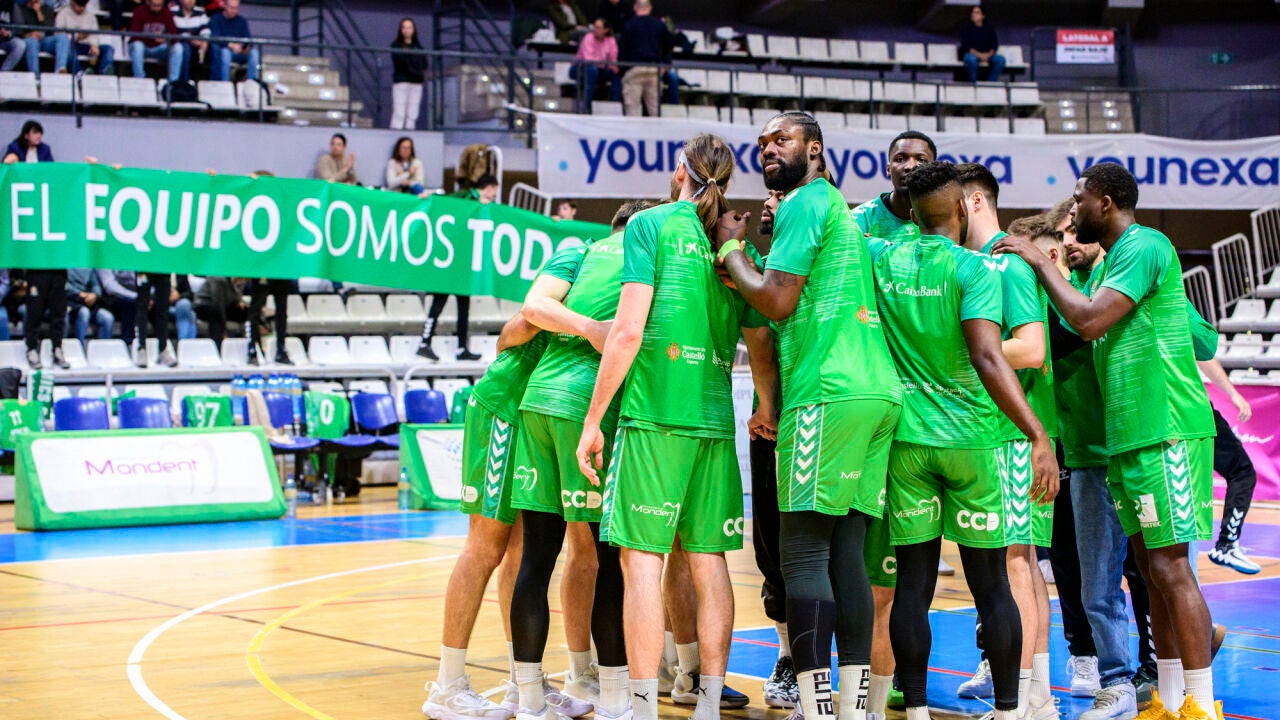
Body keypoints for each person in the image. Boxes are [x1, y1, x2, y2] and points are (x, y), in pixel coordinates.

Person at [994, 162, 1220, 720]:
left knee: (1171, 567)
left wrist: (1037, 262)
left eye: (1080, 201)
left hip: (1166, 428)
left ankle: (1201, 702)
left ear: (1107, 202)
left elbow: (1088, 322)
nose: (1073, 212)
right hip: (1126, 437)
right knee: (1151, 570)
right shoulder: (1106, 269)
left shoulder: (1145, 245)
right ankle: (1170, 700)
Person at [716, 112, 902, 720]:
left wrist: (732, 251)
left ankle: (817, 706)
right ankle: (852, 707)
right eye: (763, 143)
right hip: (875, 393)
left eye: (783, 140)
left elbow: (775, 300)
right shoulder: (834, 209)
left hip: (827, 392)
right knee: (846, 554)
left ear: (814, 148)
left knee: (800, 554)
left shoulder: (802, 202)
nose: (769, 149)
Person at [876, 161, 1058, 720]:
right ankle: (1009, 710)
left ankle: (914, 711)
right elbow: (986, 356)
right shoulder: (974, 268)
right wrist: (1036, 432)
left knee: (912, 587)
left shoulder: (881, 258)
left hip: (908, 443)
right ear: (962, 208)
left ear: (910, 213)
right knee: (992, 585)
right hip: (971, 441)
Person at [421, 243, 590, 720]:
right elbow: (512, 330)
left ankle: (524, 682)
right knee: (485, 547)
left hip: (537, 417)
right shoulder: (577, 258)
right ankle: (447, 686)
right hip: (505, 410)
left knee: (520, 552)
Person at [507, 201, 653, 720]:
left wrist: (585, 324)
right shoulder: (647, 252)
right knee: (610, 558)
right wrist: (595, 331)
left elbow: (532, 308)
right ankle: (613, 698)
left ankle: (530, 700)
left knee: (537, 557)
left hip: (537, 402)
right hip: (587, 407)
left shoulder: (579, 252)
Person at [956, 163, 1057, 720]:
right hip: (994, 433)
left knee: (1015, 562)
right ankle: (1036, 695)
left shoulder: (1007, 262)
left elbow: (1032, 348)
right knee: (1022, 560)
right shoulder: (977, 262)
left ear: (974, 201)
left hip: (1012, 435)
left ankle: (1022, 699)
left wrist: (959, 354)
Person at [417, 174, 499, 362]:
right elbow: (444, 202)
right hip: (450, 262)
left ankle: (462, 348)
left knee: (464, 308)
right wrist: (430, 196)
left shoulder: (489, 207)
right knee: (438, 303)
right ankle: (424, 343)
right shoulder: (465, 196)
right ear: (489, 187)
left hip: (464, 265)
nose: (494, 196)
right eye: (494, 191)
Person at [1198, 360, 1261, 575]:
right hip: (1192, 408)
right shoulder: (1182, 335)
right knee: (1242, 472)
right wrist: (1233, 394)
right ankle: (1226, 544)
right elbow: (1203, 354)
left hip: (1155, 413)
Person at [616, 0, 677, 117]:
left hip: (634, 70)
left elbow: (622, 50)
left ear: (635, 8)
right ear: (650, 8)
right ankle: (657, 129)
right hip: (654, 70)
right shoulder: (659, 24)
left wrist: (623, 69)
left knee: (632, 110)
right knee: (655, 110)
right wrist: (666, 64)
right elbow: (670, 43)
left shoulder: (629, 24)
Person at [570, 17, 619, 112]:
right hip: (580, 68)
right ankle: (586, 107)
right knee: (592, 71)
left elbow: (613, 60)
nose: (595, 30)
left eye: (598, 28)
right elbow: (588, 59)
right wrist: (605, 63)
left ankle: (614, 106)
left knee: (616, 74)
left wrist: (612, 66)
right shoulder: (588, 37)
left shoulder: (611, 40)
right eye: (594, 27)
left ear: (606, 30)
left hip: (600, 68)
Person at [129, 0, 184, 83]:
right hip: (143, 47)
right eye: (154, 5)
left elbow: (174, 35)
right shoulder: (139, 11)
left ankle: (173, 82)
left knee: (178, 47)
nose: (156, 8)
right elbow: (134, 35)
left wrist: (164, 38)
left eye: (159, 5)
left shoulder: (167, 13)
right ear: (149, 3)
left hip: (159, 48)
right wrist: (151, 36)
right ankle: (139, 79)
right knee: (137, 45)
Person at [58, 0, 114, 75]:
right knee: (68, 49)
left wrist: (93, 45)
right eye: (78, 5)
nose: (80, 8)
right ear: (72, 2)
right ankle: (79, 73)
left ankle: (105, 71)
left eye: (83, 5)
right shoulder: (63, 14)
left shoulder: (90, 16)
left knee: (108, 49)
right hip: (71, 45)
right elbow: (59, 36)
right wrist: (76, 36)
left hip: (87, 45)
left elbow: (95, 34)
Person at [390, 17, 426, 130]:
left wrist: (410, 60)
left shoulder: (419, 47)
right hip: (401, 81)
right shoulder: (396, 46)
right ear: (401, 30)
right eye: (404, 27)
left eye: (409, 27)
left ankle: (410, 134)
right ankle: (396, 134)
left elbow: (424, 64)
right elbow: (400, 61)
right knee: (399, 112)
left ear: (413, 30)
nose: (407, 30)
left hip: (416, 82)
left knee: (412, 114)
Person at [193, 276, 248, 348]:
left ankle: (248, 343)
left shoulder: (232, 281)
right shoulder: (218, 278)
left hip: (223, 306)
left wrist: (239, 302)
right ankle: (217, 347)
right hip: (205, 304)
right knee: (217, 315)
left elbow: (232, 297)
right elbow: (218, 303)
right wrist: (224, 331)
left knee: (245, 311)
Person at [18, 0, 70, 76]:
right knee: (32, 42)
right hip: (29, 40)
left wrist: (38, 12)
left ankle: (60, 69)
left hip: (44, 40)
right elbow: (17, 30)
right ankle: (35, 76)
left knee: (62, 37)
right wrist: (28, 35)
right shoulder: (20, 9)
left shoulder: (47, 9)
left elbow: (50, 29)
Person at [65, 268, 114, 348]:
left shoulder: (89, 268)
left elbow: (96, 285)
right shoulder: (65, 266)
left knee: (108, 318)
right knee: (84, 312)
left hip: (89, 303)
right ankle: (80, 348)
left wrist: (95, 295)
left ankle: (103, 350)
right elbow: (64, 285)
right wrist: (79, 294)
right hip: (71, 301)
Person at [208, 0, 256, 81]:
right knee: (225, 53)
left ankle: (252, 82)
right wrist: (231, 45)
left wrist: (245, 48)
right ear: (225, 6)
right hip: (224, 51)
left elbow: (248, 39)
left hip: (240, 51)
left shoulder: (242, 21)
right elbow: (216, 38)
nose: (234, 11)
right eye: (231, 8)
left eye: (236, 8)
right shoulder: (216, 19)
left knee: (254, 53)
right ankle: (225, 83)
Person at [960, 5, 1005, 83]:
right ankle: (974, 83)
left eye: (977, 13)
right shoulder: (966, 27)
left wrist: (988, 55)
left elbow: (994, 45)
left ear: (983, 16)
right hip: (972, 54)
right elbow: (966, 46)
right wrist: (980, 55)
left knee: (1000, 60)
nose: (973, 14)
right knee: (971, 60)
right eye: (973, 12)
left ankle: (990, 83)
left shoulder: (989, 28)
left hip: (987, 55)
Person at [170, 0, 209, 82]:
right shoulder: (173, 11)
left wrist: (204, 40)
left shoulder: (200, 12)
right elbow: (173, 31)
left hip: (197, 45)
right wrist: (189, 39)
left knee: (212, 48)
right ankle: (184, 81)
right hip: (179, 44)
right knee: (185, 47)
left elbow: (205, 30)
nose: (190, 1)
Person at [0, 0, 27, 73]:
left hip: (5, 40)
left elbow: (19, 25)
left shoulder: (11, 4)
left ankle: (3, 72)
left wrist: (9, 33)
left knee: (20, 44)